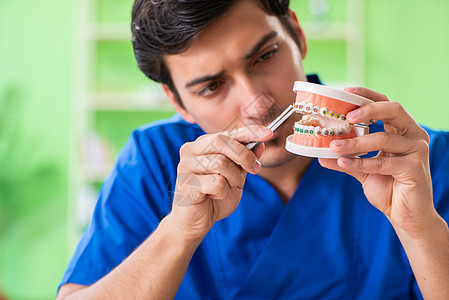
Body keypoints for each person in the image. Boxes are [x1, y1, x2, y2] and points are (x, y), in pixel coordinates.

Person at [57, 0, 449, 299]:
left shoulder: (418, 160)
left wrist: (421, 230)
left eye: (265, 56)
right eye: (212, 87)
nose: (256, 103)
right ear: (176, 101)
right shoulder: (153, 160)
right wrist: (178, 232)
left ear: (297, 34)